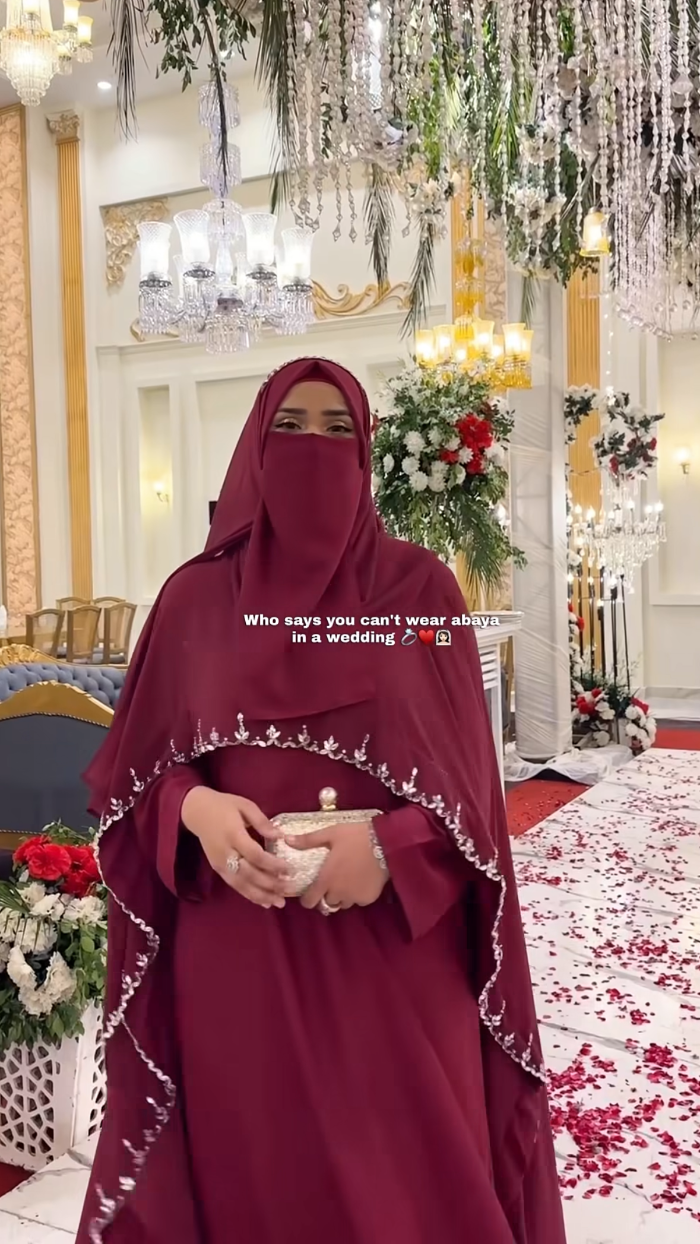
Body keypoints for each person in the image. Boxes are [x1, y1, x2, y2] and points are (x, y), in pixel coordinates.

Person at [77, 358, 566, 1244]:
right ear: (256, 448)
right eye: (291, 427)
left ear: (369, 451)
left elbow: (471, 796)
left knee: (409, 1187)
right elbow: (136, 775)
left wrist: (389, 850)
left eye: (339, 430)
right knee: (257, 1179)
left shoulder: (421, 596)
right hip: (239, 956)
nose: (314, 448)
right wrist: (197, 813)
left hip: (392, 959)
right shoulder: (195, 599)